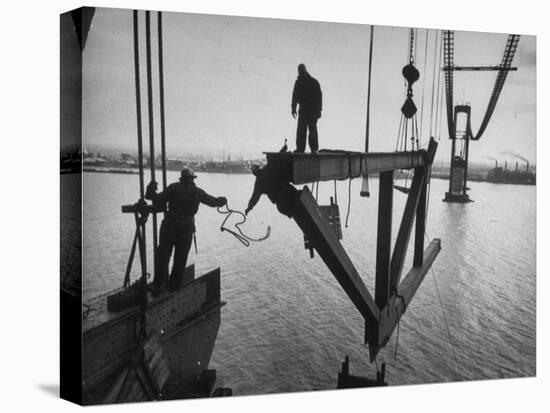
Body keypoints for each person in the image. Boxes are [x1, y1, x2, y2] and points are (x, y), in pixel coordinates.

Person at [146, 168, 227, 294]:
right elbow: (213, 202)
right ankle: (173, 287)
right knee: (181, 258)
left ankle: (158, 285)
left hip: (170, 225)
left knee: (163, 255)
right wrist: (222, 200)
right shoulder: (198, 192)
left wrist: (150, 189)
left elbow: (156, 198)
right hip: (187, 228)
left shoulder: (173, 188)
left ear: (182, 178)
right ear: (192, 179)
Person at [291, 63, 322, 153]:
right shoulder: (300, 83)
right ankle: (302, 148)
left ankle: (314, 148)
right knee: (302, 130)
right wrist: (293, 108)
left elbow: (319, 97)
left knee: (311, 130)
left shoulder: (313, 82)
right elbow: (295, 96)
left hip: (311, 111)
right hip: (305, 110)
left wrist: (319, 110)